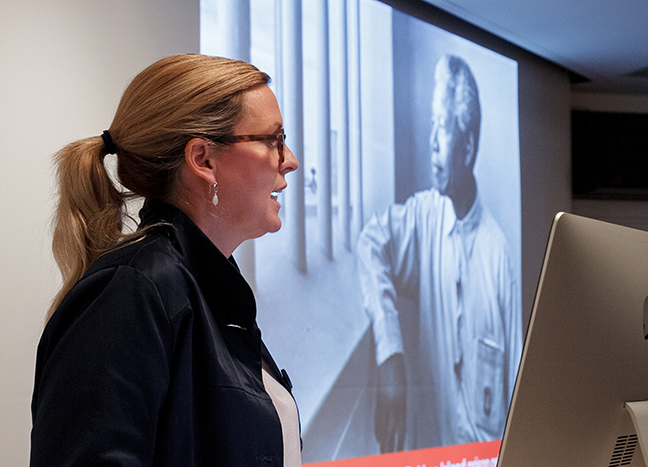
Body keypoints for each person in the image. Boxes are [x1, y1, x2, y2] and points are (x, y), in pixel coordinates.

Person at [30, 54, 301, 466]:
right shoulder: (134, 289)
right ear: (203, 160)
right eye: (273, 139)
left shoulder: (198, 288)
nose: (290, 160)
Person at [357, 54, 522, 453]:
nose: (431, 142)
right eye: (431, 124)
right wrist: (390, 352)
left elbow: (519, 387)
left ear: (466, 147)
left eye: (442, 127)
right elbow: (369, 244)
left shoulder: (498, 256)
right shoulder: (422, 219)